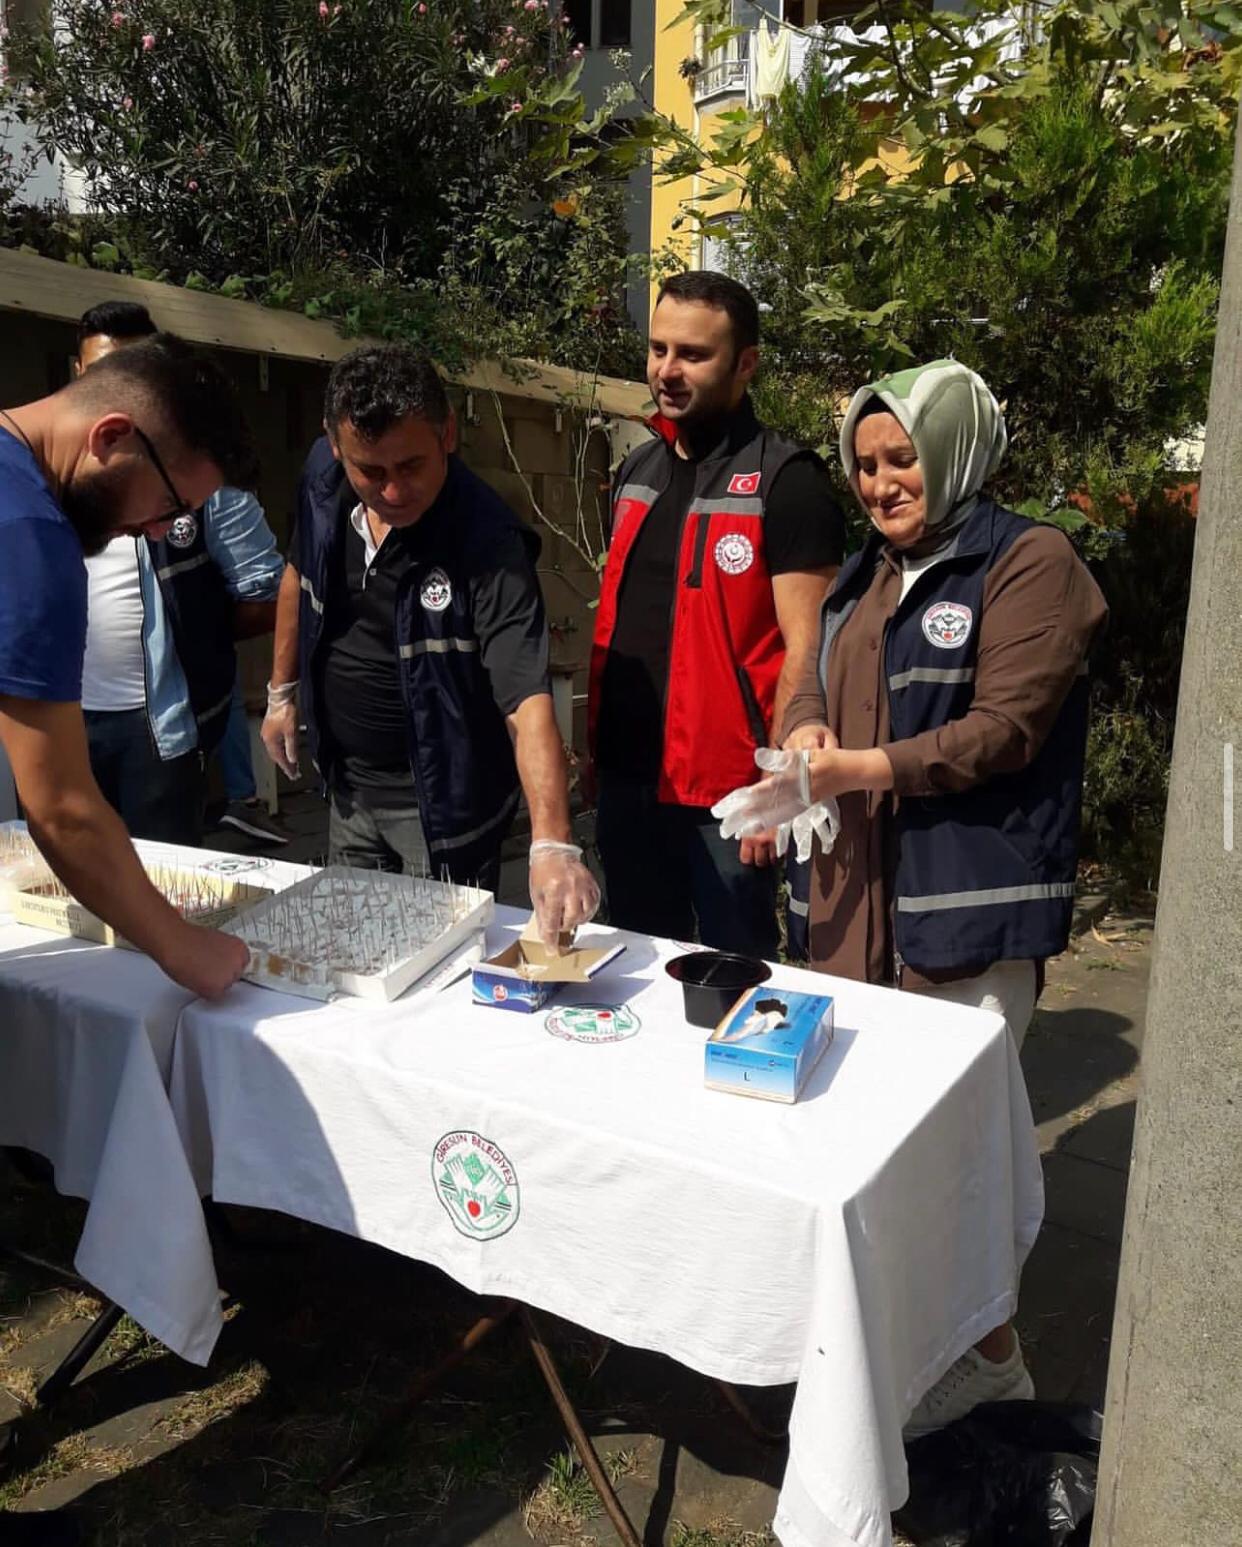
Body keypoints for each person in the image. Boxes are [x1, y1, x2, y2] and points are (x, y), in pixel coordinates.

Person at [714, 357, 1108, 1434]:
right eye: (867, 463)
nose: (883, 483)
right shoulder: (861, 575)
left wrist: (854, 771)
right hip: (854, 906)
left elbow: (1005, 728)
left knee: (956, 1160)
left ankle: (990, 1360)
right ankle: (894, 1344)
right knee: (873, 1146)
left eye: (904, 460)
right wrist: (800, 741)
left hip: (961, 915)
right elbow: (809, 670)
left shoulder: (1029, 561)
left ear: (957, 450)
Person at [261, 344, 598, 944]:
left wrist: (551, 842)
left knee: (436, 966)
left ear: (447, 434)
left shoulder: (490, 545)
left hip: (441, 809)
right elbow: (298, 574)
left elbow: (526, 698)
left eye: (411, 466)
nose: (392, 491)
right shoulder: (323, 480)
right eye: (372, 471)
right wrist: (281, 693)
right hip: (346, 788)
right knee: (353, 953)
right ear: (335, 445)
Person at [588, 270, 846, 958]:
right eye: (658, 349)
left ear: (746, 364)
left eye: (693, 354)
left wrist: (777, 792)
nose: (667, 370)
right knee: (636, 977)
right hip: (629, 782)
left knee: (741, 984)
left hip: (730, 800)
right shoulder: (636, 470)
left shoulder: (786, 483)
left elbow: (807, 649)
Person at [73, 301, 284, 845]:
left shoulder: (200, 473)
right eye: (98, 376)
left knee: (159, 881)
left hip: (160, 729)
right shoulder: (54, 472)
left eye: (129, 375)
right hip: (63, 717)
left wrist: (197, 631)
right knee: (66, 888)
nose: (111, 394)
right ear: (77, 376)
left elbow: (268, 591)